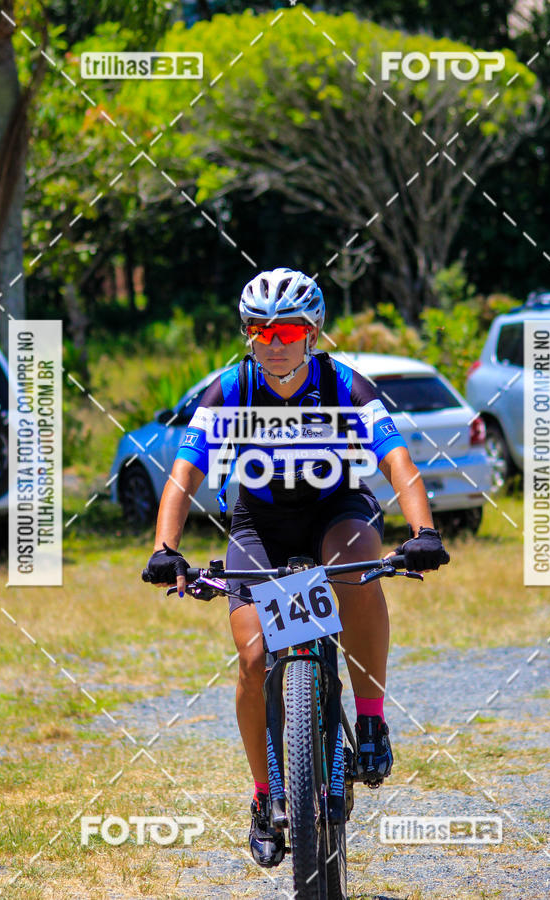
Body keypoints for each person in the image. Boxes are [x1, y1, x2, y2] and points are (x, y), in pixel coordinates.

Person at [145, 267, 450, 868]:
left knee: (356, 568)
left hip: (336, 509)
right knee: (253, 656)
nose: (274, 342)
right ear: (248, 335)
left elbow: (397, 461)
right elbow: (184, 474)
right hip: (259, 522)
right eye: (261, 330)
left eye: (286, 330)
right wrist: (165, 547)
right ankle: (265, 795)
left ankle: (370, 722)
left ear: (311, 333)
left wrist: (423, 532)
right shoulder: (229, 391)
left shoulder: (344, 385)